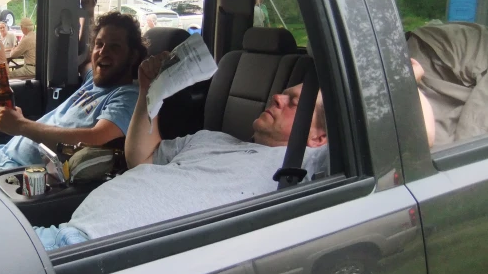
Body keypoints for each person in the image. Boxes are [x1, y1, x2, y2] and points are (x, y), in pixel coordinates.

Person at [33, 54, 437, 251]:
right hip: (71, 237)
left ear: (317, 138)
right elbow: (141, 156)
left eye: (295, 103)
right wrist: (146, 92)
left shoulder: (301, 166)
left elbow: (416, 137)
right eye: (283, 93)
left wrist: (406, 73)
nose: (278, 97)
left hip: (96, 257)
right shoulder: (211, 138)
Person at [0, 11, 147, 173]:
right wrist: (87, 11)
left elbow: (96, 139)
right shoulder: (95, 78)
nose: (103, 52)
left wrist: (20, 125)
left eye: (114, 46)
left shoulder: (129, 96)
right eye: (99, 44)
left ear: (133, 56)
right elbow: (82, 58)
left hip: (15, 174)